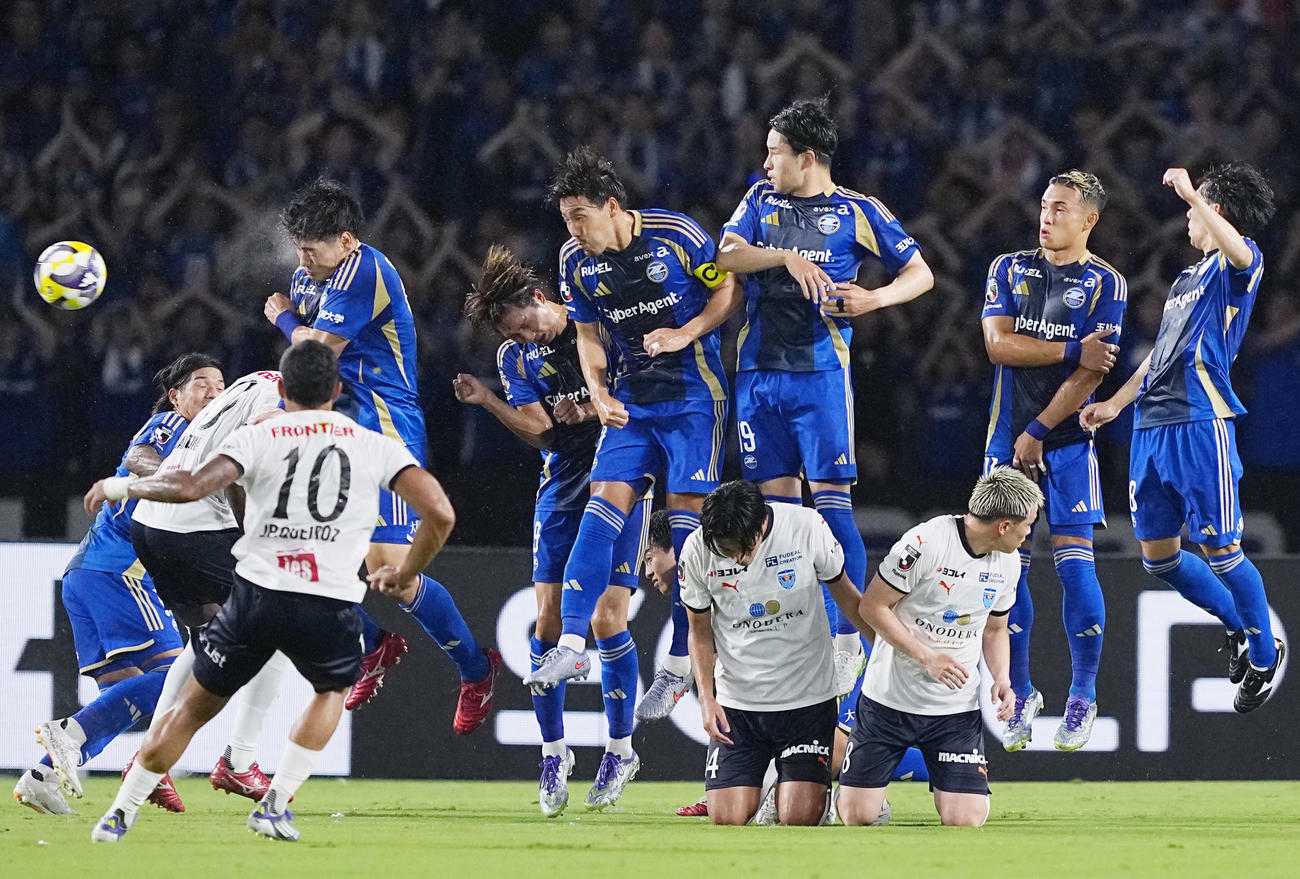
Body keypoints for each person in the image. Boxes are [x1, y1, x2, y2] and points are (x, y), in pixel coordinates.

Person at [86, 340, 457, 843]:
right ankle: (274, 805)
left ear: (284, 388)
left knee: (192, 708)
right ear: (338, 390)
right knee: (330, 691)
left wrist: (120, 487)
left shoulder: (260, 435)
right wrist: (405, 571)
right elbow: (440, 514)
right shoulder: (373, 444)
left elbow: (190, 485)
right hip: (326, 600)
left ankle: (120, 812)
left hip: (255, 597)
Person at [713, 97, 933, 693]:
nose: (765, 164)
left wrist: (874, 299)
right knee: (777, 520)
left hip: (821, 377)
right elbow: (726, 254)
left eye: (774, 154)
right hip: (758, 376)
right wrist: (784, 256)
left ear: (806, 157)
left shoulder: (858, 211)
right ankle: (792, 634)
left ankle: (846, 638)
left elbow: (921, 273)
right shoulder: (760, 202)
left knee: (832, 509)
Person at [264, 178, 499, 730]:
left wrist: (282, 318)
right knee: (297, 555)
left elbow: (318, 352)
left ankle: (476, 670)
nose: (303, 260)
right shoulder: (309, 276)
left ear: (346, 241)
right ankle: (373, 644)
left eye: (312, 249)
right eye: (298, 249)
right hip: (335, 429)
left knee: (391, 570)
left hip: (384, 425)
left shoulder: (365, 272)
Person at [524, 147, 741, 747]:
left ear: (613, 207)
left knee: (686, 528)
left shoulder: (677, 236)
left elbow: (729, 292)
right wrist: (597, 392)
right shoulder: (574, 261)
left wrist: (685, 332)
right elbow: (588, 335)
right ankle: (571, 645)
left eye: (580, 217)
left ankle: (677, 664)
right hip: (631, 403)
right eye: (566, 219)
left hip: (695, 398)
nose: (573, 230)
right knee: (601, 507)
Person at [1081, 164, 1286, 713]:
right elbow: (1159, 354)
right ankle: (1239, 626)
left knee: (1221, 549)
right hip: (1151, 426)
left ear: (1213, 212)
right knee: (1159, 557)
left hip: (1200, 421)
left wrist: (1193, 193)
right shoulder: (1184, 282)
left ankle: (1264, 656)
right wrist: (1115, 404)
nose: (1187, 221)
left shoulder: (1239, 263)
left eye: (1195, 213)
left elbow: (1237, 249)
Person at [458, 245, 652, 815]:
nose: (524, 338)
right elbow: (541, 431)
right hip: (563, 483)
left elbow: (641, 395)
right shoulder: (515, 358)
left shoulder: (597, 325)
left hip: (620, 472)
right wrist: (488, 401)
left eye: (524, 324)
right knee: (546, 618)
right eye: (511, 334)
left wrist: (590, 409)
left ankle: (620, 751)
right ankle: (552, 754)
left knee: (608, 618)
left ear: (540, 298)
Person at [15, 354, 220, 815]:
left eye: (221, 384)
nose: (214, 392)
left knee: (124, 695)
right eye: (202, 383)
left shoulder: (207, 448)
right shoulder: (174, 426)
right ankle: (70, 734)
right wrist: (176, 481)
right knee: (183, 683)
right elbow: (137, 457)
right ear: (175, 396)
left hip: (88, 575)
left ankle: (41, 778)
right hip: (119, 574)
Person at [980, 170, 1127, 751]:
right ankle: (1020, 693)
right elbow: (998, 345)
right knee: (1007, 573)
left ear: (1090, 220)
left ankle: (1082, 696)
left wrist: (1039, 430)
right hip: (1004, 443)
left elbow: (1094, 373)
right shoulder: (1008, 268)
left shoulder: (1106, 283)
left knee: (1074, 568)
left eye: (1061, 208)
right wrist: (1070, 348)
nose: (1046, 216)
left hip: (1067, 443)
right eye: (1044, 205)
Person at [129, 367, 297, 803]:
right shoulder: (278, 397)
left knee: (204, 641)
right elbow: (241, 465)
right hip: (195, 525)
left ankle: (151, 758)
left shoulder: (255, 381)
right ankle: (239, 762)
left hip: (152, 524)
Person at [837, 468, 1040, 827]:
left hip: (955, 711)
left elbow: (995, 629)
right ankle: (860, 790)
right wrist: (927, 657)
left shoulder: (1008, 561)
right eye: (1028, 525)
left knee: (967, 819)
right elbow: (872, 607)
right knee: (857, 816)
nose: (1029, 534)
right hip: (889, 700)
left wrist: (1002, 678)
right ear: (1004, 526)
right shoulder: (925, 543)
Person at [679, 480, 870, 826]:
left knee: (798, 818)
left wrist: (885, 648)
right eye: (725, 550)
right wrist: (707, 699)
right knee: (726, 818)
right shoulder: (696, 550)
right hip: (739, 704)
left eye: (742, 549)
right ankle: (773, 782)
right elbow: (699, 631)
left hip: (807, 701)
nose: (736, 559)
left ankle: (843, 799)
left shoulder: (806, 527)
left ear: (761, 526)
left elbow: (847, 597)